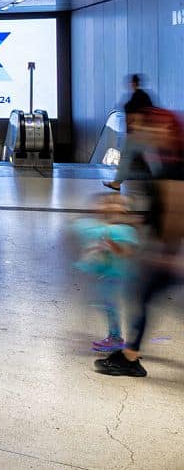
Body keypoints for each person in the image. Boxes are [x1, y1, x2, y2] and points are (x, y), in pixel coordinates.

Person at [95, 108, 183, 378]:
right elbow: (158, 212)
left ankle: (131, 357)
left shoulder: (173, 165)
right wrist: (130, 222)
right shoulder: (163, 161)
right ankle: (130, 356)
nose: (149, 132)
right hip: (167, 251)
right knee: (143, 296)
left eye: (156, 128)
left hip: (167, 253)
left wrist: (165, 252)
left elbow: (175, 209)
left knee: (142, 295)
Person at [73, 194, 139, 353]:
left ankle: (115, 338)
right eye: (109, 203)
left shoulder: (126, 231)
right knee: (107, 305)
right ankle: (114, 336)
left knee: (110, 306)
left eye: (117, 204)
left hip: (117, 275)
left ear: (126, 210)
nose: (111, 206)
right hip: (107, 273)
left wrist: (112, 245)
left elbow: (127, 253)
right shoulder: (104, 227)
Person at [105, 74, 155, 192]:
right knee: (146, 158)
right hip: (142, 133)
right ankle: (157, 180)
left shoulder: (137, 97)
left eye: (130, 82)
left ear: (133, 83)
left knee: (126, 157)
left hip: (136, 134)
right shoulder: (143, 96)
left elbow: (137, 115)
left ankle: (117, 183)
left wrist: (134, 126)